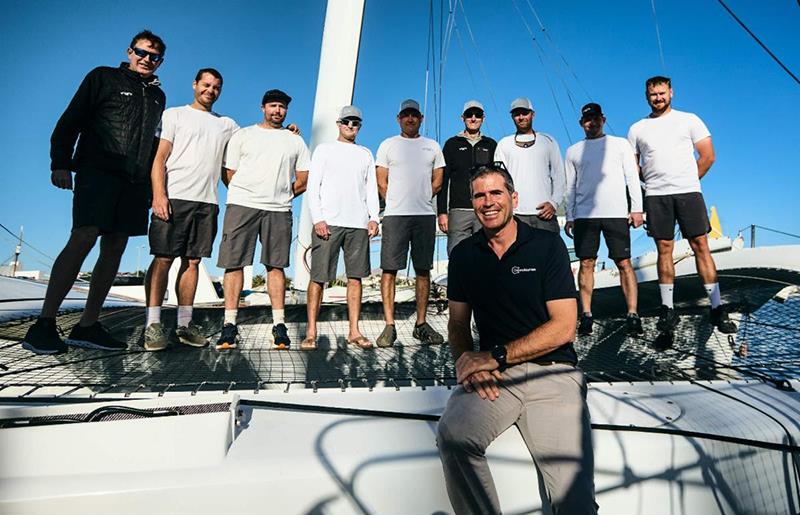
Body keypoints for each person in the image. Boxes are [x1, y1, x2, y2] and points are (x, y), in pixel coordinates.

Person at [437, 162, 597, 515]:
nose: (488, 202)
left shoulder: (546, 246)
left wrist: (493, 356)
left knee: (574, 500)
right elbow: (458, 324)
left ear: (513, 197)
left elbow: (564, 327)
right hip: (497, 378)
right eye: (480, 195)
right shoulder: (464, 255)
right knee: (454, 437)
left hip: (553, 373)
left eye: (496, 193)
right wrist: (467, 362)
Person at [22, 30, 167, 355]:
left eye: (154, 56)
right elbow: (70, 120)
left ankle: (87, 325)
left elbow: (156, 143)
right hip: (97, 172)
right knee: (84, 236)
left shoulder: (159, 97)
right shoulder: (103, 78)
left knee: (115, 246)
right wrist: (60, 162)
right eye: (142, 53)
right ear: (130, 51)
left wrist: (151, 186)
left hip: (134, 182)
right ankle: (43, 325)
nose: (146, 59)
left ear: (160, 62)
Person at [627, 76, 737, 334]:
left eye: (662, 93)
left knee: (701, 246)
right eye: (653, 94)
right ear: (646, 96)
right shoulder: (636, 129)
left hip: (688, 192)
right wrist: (656, 182)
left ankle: (716, 308)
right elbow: (633, 167)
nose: (658, 98)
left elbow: (708, 156)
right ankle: (668, 310)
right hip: (656, 196)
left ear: (671, 93)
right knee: (664, 250)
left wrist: (686, 180)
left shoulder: (689, 120)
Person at [141, 68, 239, 351]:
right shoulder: (174, 114)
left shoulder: (228, 125)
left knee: (193, 261)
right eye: (206, 84)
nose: (211, 90)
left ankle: (184, 325)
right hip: (174, 197)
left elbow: (250, 145)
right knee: (163, 258)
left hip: (207, 202)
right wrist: (159, 194)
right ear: (195, 84)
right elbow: (159, 158)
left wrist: (287, 130)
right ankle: (153, 325)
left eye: (216, 87)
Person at [215, 89, 310, 351]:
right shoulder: (243, 135)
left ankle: (279, 325)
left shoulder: (295, 141)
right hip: (242, 206)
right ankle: (229, 324)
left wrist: (280, 193)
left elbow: (304, 179)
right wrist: (247, 192)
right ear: (263, 108)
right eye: (272, 106)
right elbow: (229, 173)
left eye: (281, 107)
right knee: (234, 265)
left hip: (279, 209)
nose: (277, 110)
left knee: (275, 266)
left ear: (286, 111)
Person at [302, 106, 380, 350]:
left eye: (356, 122)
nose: (351, 126)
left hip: (357, 223)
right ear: (338, 123)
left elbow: (371, 188)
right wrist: (318, 219)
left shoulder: (366, 153)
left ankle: (354, 331)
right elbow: (313, 187)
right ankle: (311, 331)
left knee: (355, 278)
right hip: (329, 223)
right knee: (318, 278)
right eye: (347, 121)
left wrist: (374, 217)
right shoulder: (324, 150)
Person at [565, 103, 644, 336]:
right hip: (585, 215)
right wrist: (570, 216)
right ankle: (586, 314)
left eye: (596, 118)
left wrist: (637, 209)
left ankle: (632, 313)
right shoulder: (572, 151)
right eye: (587, 119)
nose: (592, 122)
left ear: (604, 119)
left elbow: (632, 177)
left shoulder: (621, 145)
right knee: (586, 263)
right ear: (582, 123)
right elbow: (570, 186)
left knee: (624, 263)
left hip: (616, 213)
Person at [375, 99, 445, 347]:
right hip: (395, 215)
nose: (410, 119)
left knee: (423, 270)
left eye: (414, 115)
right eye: (405, 115)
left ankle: (421, 324)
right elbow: (381, 180)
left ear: (421, 118)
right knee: (389, 269)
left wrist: (424, 198)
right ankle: (389, 326)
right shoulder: (388, 145)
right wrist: (393, 201)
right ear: (398, 118)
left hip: (425, 215)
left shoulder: (432, 146)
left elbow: (438, 180)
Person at [494, 97, 565, 233]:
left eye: (525, 113)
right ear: (512, 117)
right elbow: (499, 180)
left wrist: (554, 203)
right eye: (517, 114)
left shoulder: (548, 141)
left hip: (544, 214)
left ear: (533, 114)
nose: (521, 117)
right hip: (515, 215)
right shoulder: (504, 144)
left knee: (549, 253)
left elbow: (559, 175)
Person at [437, 100, 497, 255]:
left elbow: (498, 180)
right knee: (457, 256)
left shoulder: (491, 144)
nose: (473, 118)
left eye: (477, 115)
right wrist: (442, 212)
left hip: (485, 208)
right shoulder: (451, 144)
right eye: (469, 115)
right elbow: (443, 180)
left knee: (487, 257)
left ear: (483, 118)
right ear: (462, 118)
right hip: (458, 211)